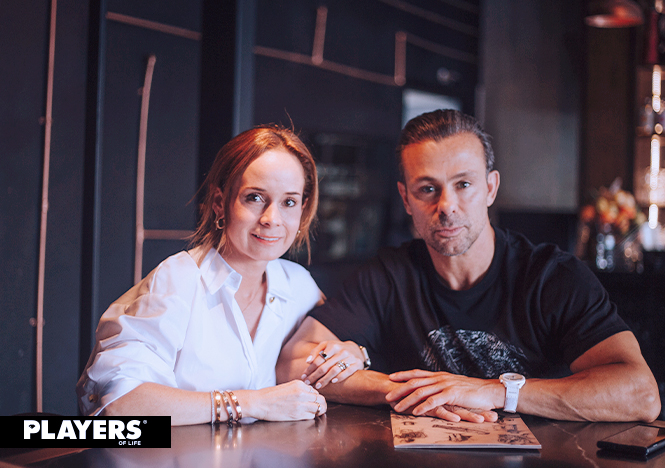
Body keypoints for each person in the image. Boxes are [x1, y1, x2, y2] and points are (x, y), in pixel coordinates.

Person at [277, 109, 661, 423]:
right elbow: (292, 363)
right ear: (406, 199)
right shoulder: (389, 275)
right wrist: (413, 392)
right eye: (427, 189)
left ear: (490, 188)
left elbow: (640, 394)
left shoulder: (553, 277)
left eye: (463, 185)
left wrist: (495, 392)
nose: (446, 206)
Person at [77, 126, 362, 425]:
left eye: (288, 202)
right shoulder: (178, 280)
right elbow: (120, 405)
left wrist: (353, 353)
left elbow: (324, 353)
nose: (272, 219)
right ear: (219, 203)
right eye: (254, 198)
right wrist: (250, 403)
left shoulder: (299, 286)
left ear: (302, 210)